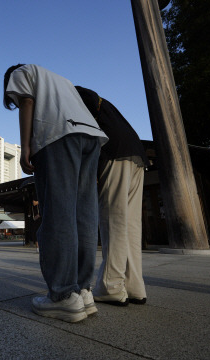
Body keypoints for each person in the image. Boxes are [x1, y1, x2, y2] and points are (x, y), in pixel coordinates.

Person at [4, 64, 108, 323]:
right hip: (91, 135)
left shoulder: (22, 72)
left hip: (58, 135)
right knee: (83, 214)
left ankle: (62, 296)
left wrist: (25, 147)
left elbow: (27, 101)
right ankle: (84, 291)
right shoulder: (61, 80)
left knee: (58, 214)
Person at [76, 86, 149, 306]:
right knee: (130, 225)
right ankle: (135, 286)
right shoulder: (105, 105)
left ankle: (111, 286)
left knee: (113, 222)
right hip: (136, 154)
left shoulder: (75, 96)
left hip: (114, 153)